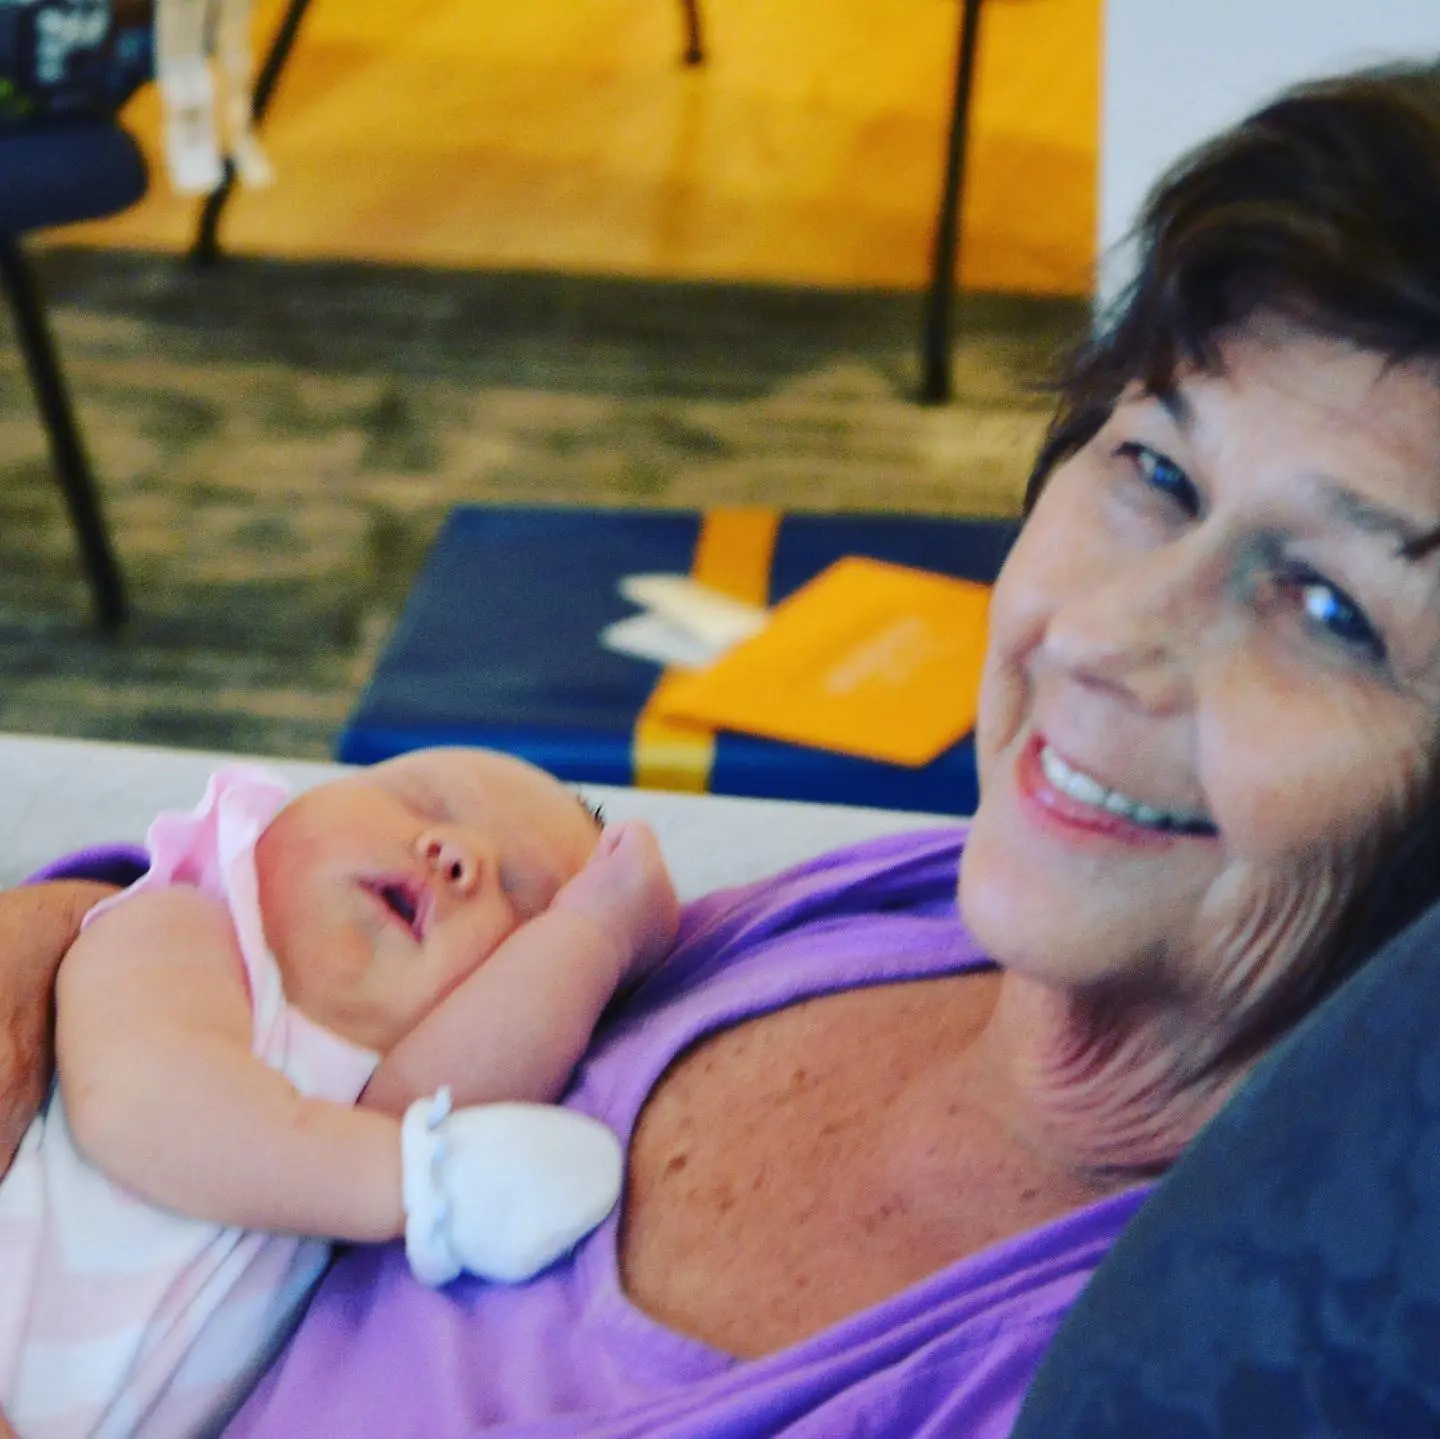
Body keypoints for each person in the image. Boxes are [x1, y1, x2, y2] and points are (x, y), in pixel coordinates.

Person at [5, 55, 1440, 1439]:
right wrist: (68, 937)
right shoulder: (909, 906)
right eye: (1156, 469)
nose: (1100, 639)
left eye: (1329, 608)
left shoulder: (1127, 1370)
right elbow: (266, 963)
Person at [0, 748, 679, 1438]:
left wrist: (594, 935)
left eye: (519, 895)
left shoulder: (357, 1112)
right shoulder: (181, 927)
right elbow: (140, 1105)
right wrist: (419, 1179)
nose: (456, 854)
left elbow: (455, 1103)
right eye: (425, 801)